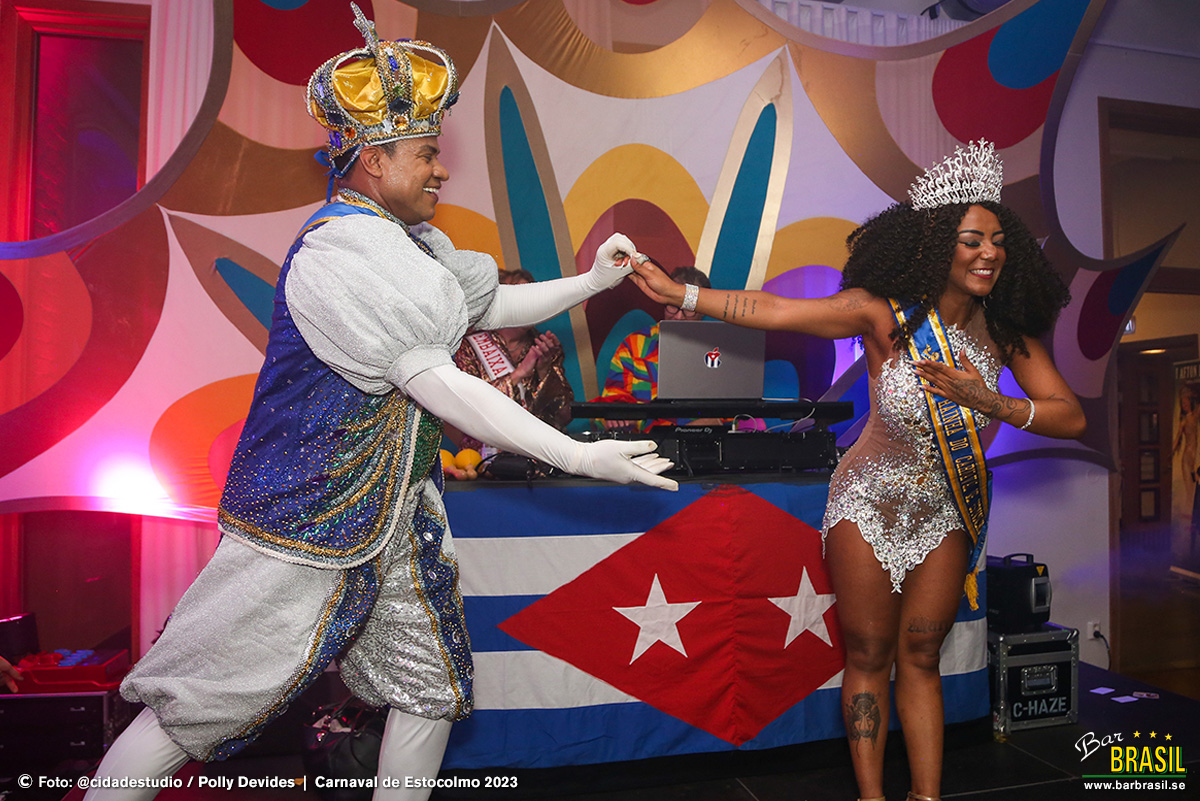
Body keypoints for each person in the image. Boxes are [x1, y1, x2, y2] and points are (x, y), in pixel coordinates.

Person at [84, 7, 674, 800]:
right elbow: (440, 382)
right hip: (305, 518)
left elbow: (488, 307)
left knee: (427, 685)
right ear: (373, 159)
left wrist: (594, 281)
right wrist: (576, 454)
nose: (441, 170)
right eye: (426, 153)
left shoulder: (411, 245)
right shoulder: (342, 253)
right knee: (194, 706)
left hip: (392, 511)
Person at [631, 140, 1086, 801]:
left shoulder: (1006, 334)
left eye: (998, 241)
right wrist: (684, 294)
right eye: (972, 240)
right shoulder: (884, 314)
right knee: (869, 656)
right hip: (867, 501)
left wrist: (992, 402)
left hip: (944, 511)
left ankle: (926, 796)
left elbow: (1070, 416)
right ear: (938, 246)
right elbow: (778, 310)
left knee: (921, 658)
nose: (989, 253)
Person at [448, 269, 575, 453]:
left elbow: (564, 416)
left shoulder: (544, 348)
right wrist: (519, 374)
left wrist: (544, 372)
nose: (531, 305)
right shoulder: (470, 346)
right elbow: (467, 406)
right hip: (484, 459)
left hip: (536, 455)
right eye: (523, 298)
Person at [597, 264, 721, 430]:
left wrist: (715, 422)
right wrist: (620, 415)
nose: (678, 317)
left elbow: (739, 413)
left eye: (688, 310)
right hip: (647, 442)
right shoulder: (634, 346)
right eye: (673, 306)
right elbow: (612, 401)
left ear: (703, 311)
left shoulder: (718, 351)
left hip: (705, 442)